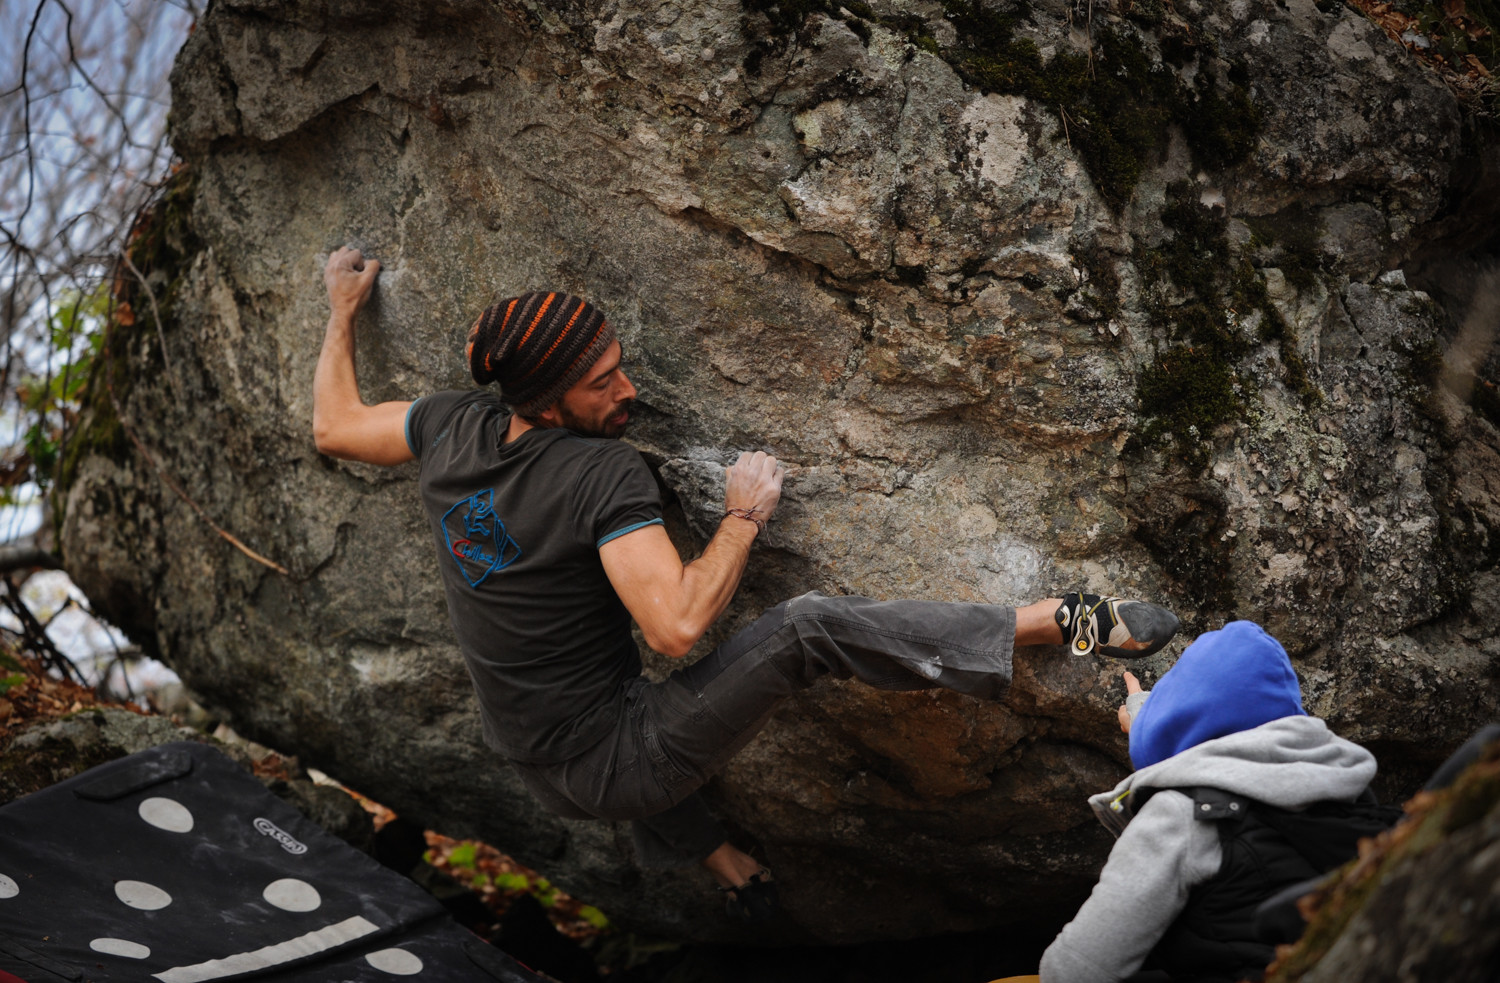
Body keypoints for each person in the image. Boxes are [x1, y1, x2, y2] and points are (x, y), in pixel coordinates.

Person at [312, 246, 1181, 921]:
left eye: (620, 365)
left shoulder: (452, 427)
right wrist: (741, 516)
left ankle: (725, 862)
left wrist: (342, 309)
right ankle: (1049, 622)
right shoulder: (599, 473)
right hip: (619, 762)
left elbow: (336, 425)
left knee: (610, 695)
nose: (628, 389)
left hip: (529, 757)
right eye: (602, 383)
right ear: (544, 400)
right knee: (803, 628)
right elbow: (676, 627)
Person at [1039, 621, 1401, 983]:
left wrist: (1157, 735)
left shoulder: (1180, 817)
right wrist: (1160, 734)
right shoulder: (1350, 791)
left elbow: (1070, 972)